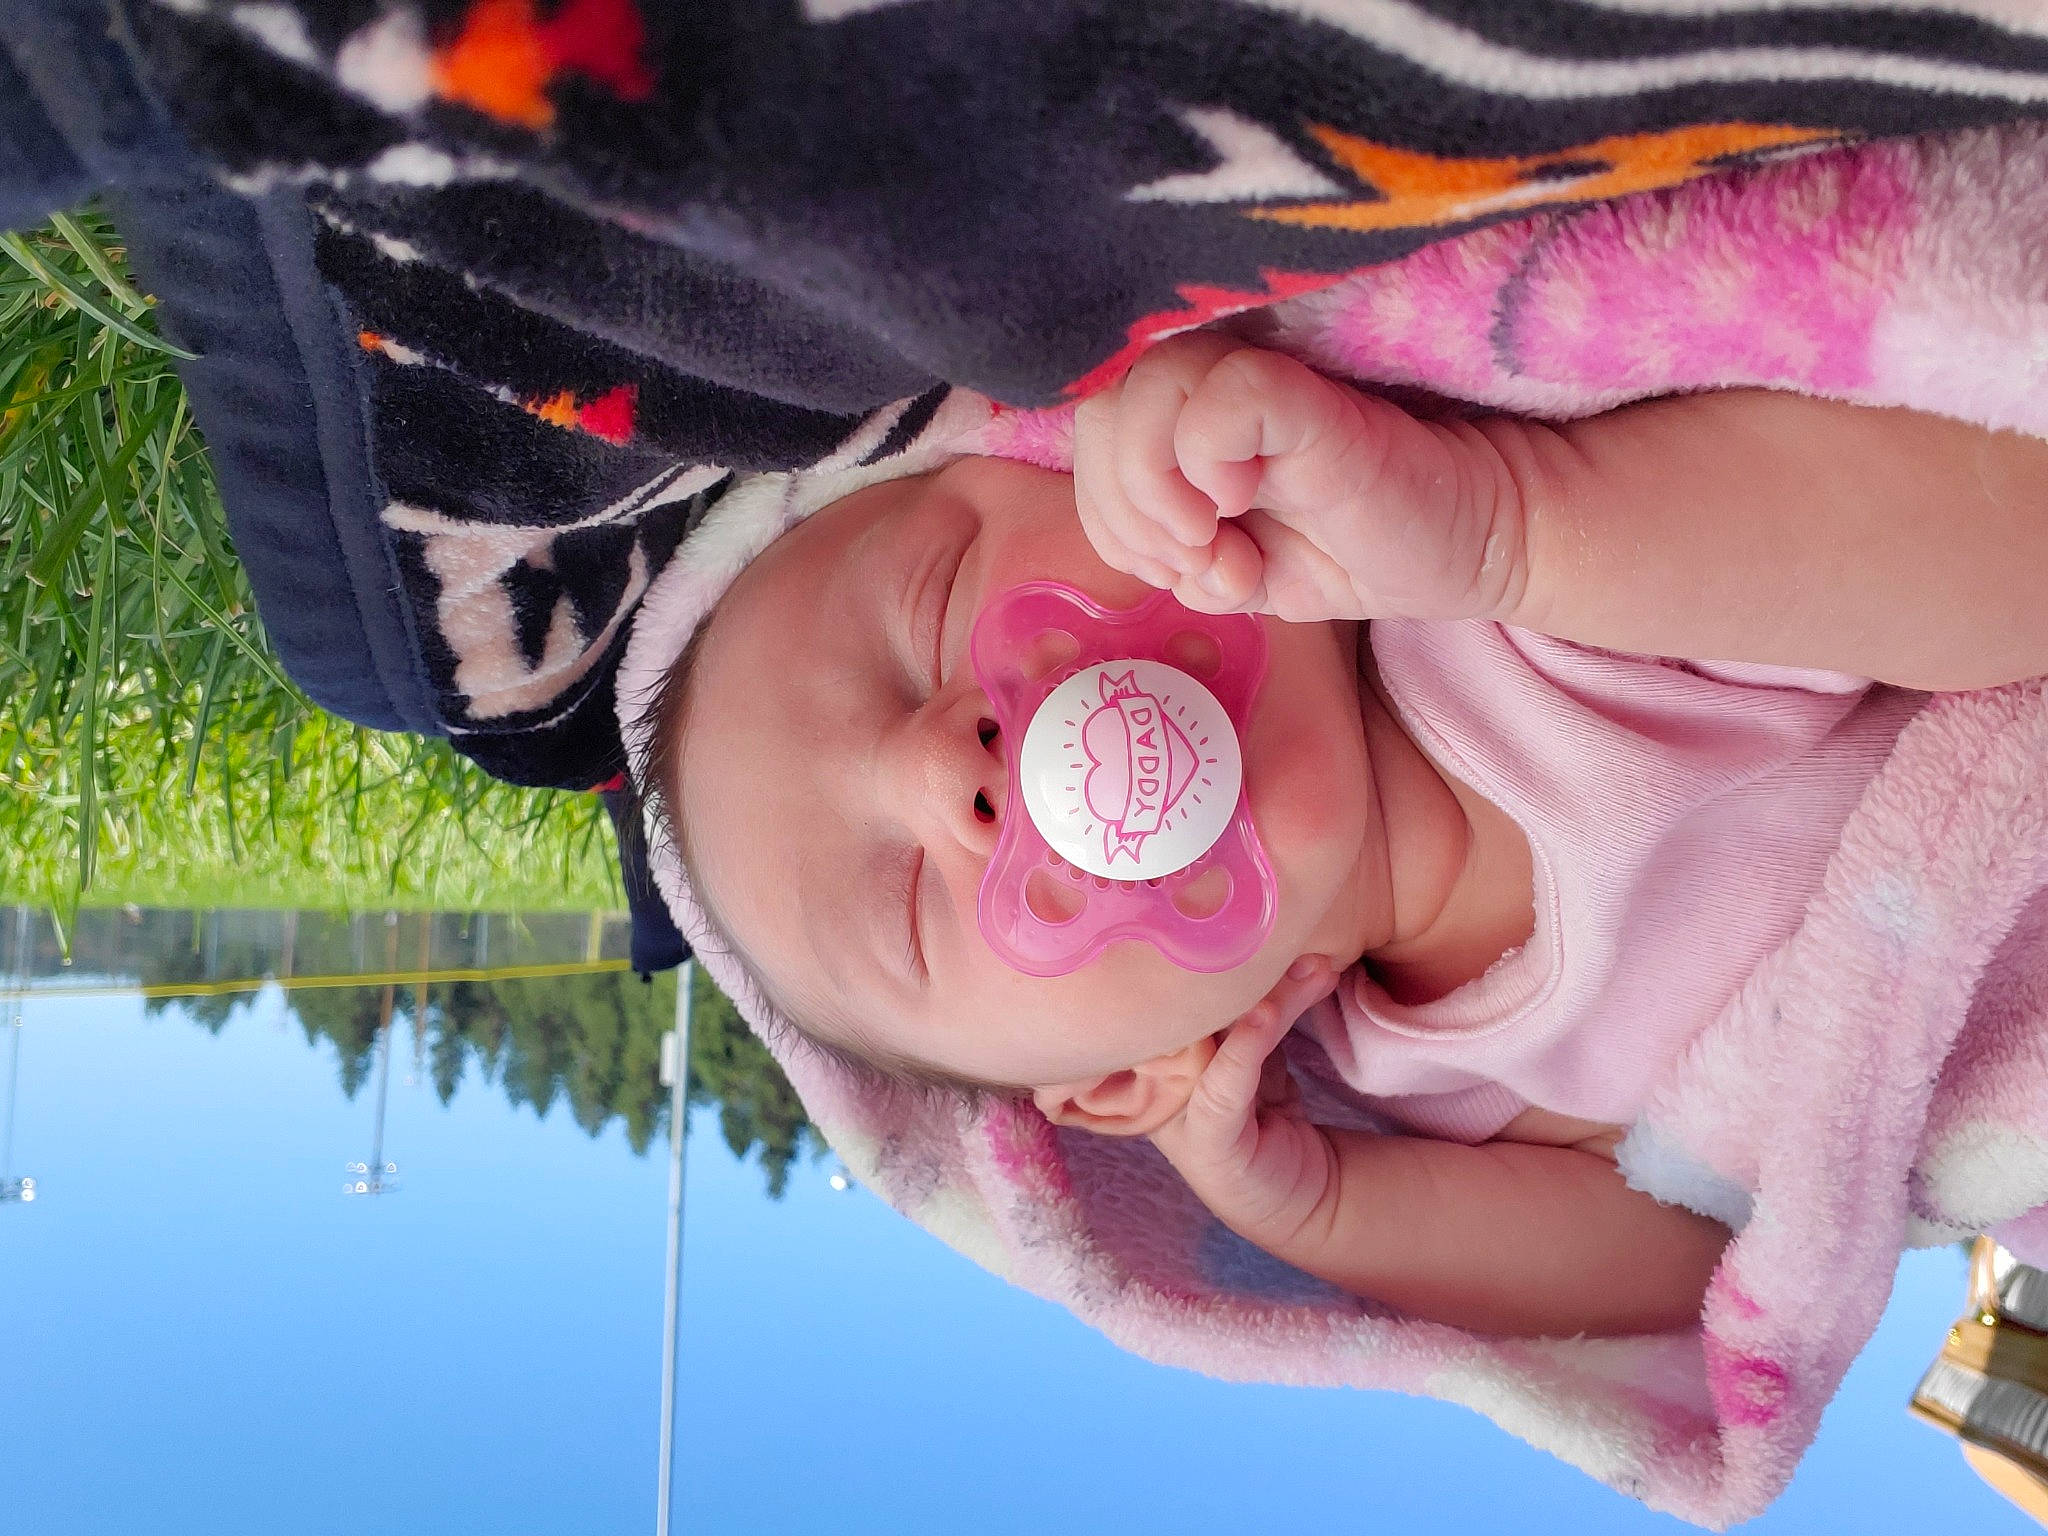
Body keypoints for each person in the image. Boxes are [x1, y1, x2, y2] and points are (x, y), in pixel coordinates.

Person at [641, 332, 2048, 1337]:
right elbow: (1707, 1262)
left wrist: (1513, 534)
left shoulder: (1515, 590)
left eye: (929, 603)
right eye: (909, 909)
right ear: (1123, 1082)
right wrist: (1316, 1211)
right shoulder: (1413, 1095)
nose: (939, 764)